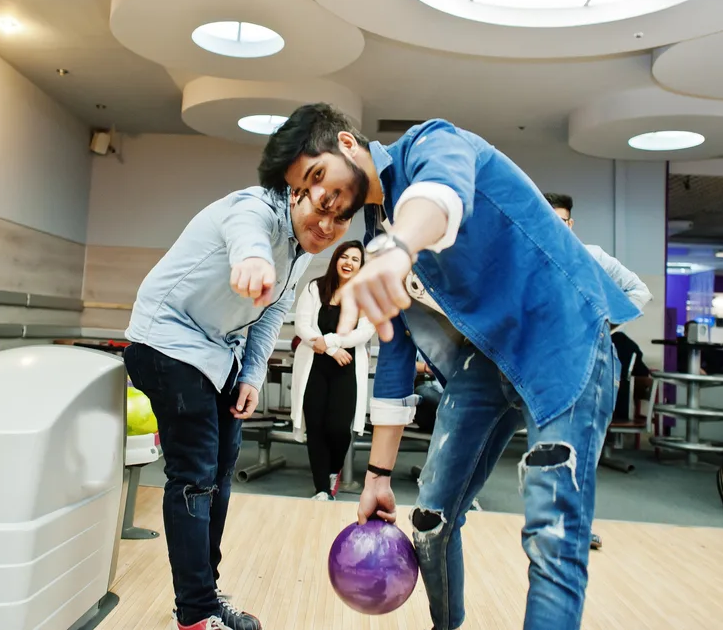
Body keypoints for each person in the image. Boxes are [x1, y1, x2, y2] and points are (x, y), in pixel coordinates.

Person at [257, 103, 642, 630]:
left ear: (348, 144)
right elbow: (394, 354)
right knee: (430, 522)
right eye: (304, 191)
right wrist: (377, 476)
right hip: (486, 365)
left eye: (317, 175)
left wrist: (399, 249)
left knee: (553, 535)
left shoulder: (431, 143)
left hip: (564, 336)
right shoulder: (375, 236)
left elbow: (440, 194)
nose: (319, 198)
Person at [123, 184, 350, 630]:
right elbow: (246, 233)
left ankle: (202, 593)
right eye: (322, 209)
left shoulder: (301, 251)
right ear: (297, 190)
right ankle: (194, 613)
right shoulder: (255, 207)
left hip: (217, 351)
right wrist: (253, 258)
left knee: (221, 472)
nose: (327, 226)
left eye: (341, 218)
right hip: (166, 341)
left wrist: (250, 375)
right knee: (194, 476)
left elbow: (271, 313)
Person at [544, 191, 653, 551]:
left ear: (570, 224)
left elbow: (640, 291)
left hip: (597, 365)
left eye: (561, 221)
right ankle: (555, 524)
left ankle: (578, 528)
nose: (555, 228)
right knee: (555, 450)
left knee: (585, 451)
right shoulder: (536, 259)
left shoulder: (593, 257)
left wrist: (605, 323)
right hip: (555, 368)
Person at [290, 239, 376, 500]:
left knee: (339, 428)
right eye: (344, 257)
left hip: (346, 369)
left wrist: (331, 341)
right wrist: (329, 349)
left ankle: (333, 470)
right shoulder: (315, 288)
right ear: (335, 259)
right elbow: (302, 326)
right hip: (314, 366)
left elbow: (365, 331)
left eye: (355, 259)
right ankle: (322, 489)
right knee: (315, 427)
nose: (348, 263)